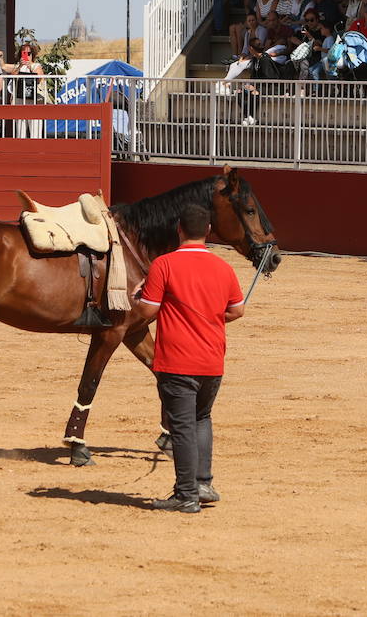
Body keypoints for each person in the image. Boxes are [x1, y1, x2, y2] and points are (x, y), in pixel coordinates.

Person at [134, 203, 245, 513]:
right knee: (201, 419)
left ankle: (186, 495)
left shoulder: (164, 265)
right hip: (212, 360)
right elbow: (237, 310)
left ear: (179, 229)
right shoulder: (224, 268)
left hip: (177, 360)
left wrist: (136, 297)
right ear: (208, 231)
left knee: (182, 426)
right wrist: (209, 318)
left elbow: (147, 312)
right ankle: (202, 484)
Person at [11, 44, 47, 138]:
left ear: (33, 55)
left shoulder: (36, 65)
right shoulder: (18, 67)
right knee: (20, 132)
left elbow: (40, 78)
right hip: (20, 101)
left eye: (29, 53)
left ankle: (36, 151)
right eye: (24, 53)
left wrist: (30, 66)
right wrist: (20, 66)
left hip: (34, 102)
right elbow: (12, 77)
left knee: (35, 131)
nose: (26, 55)